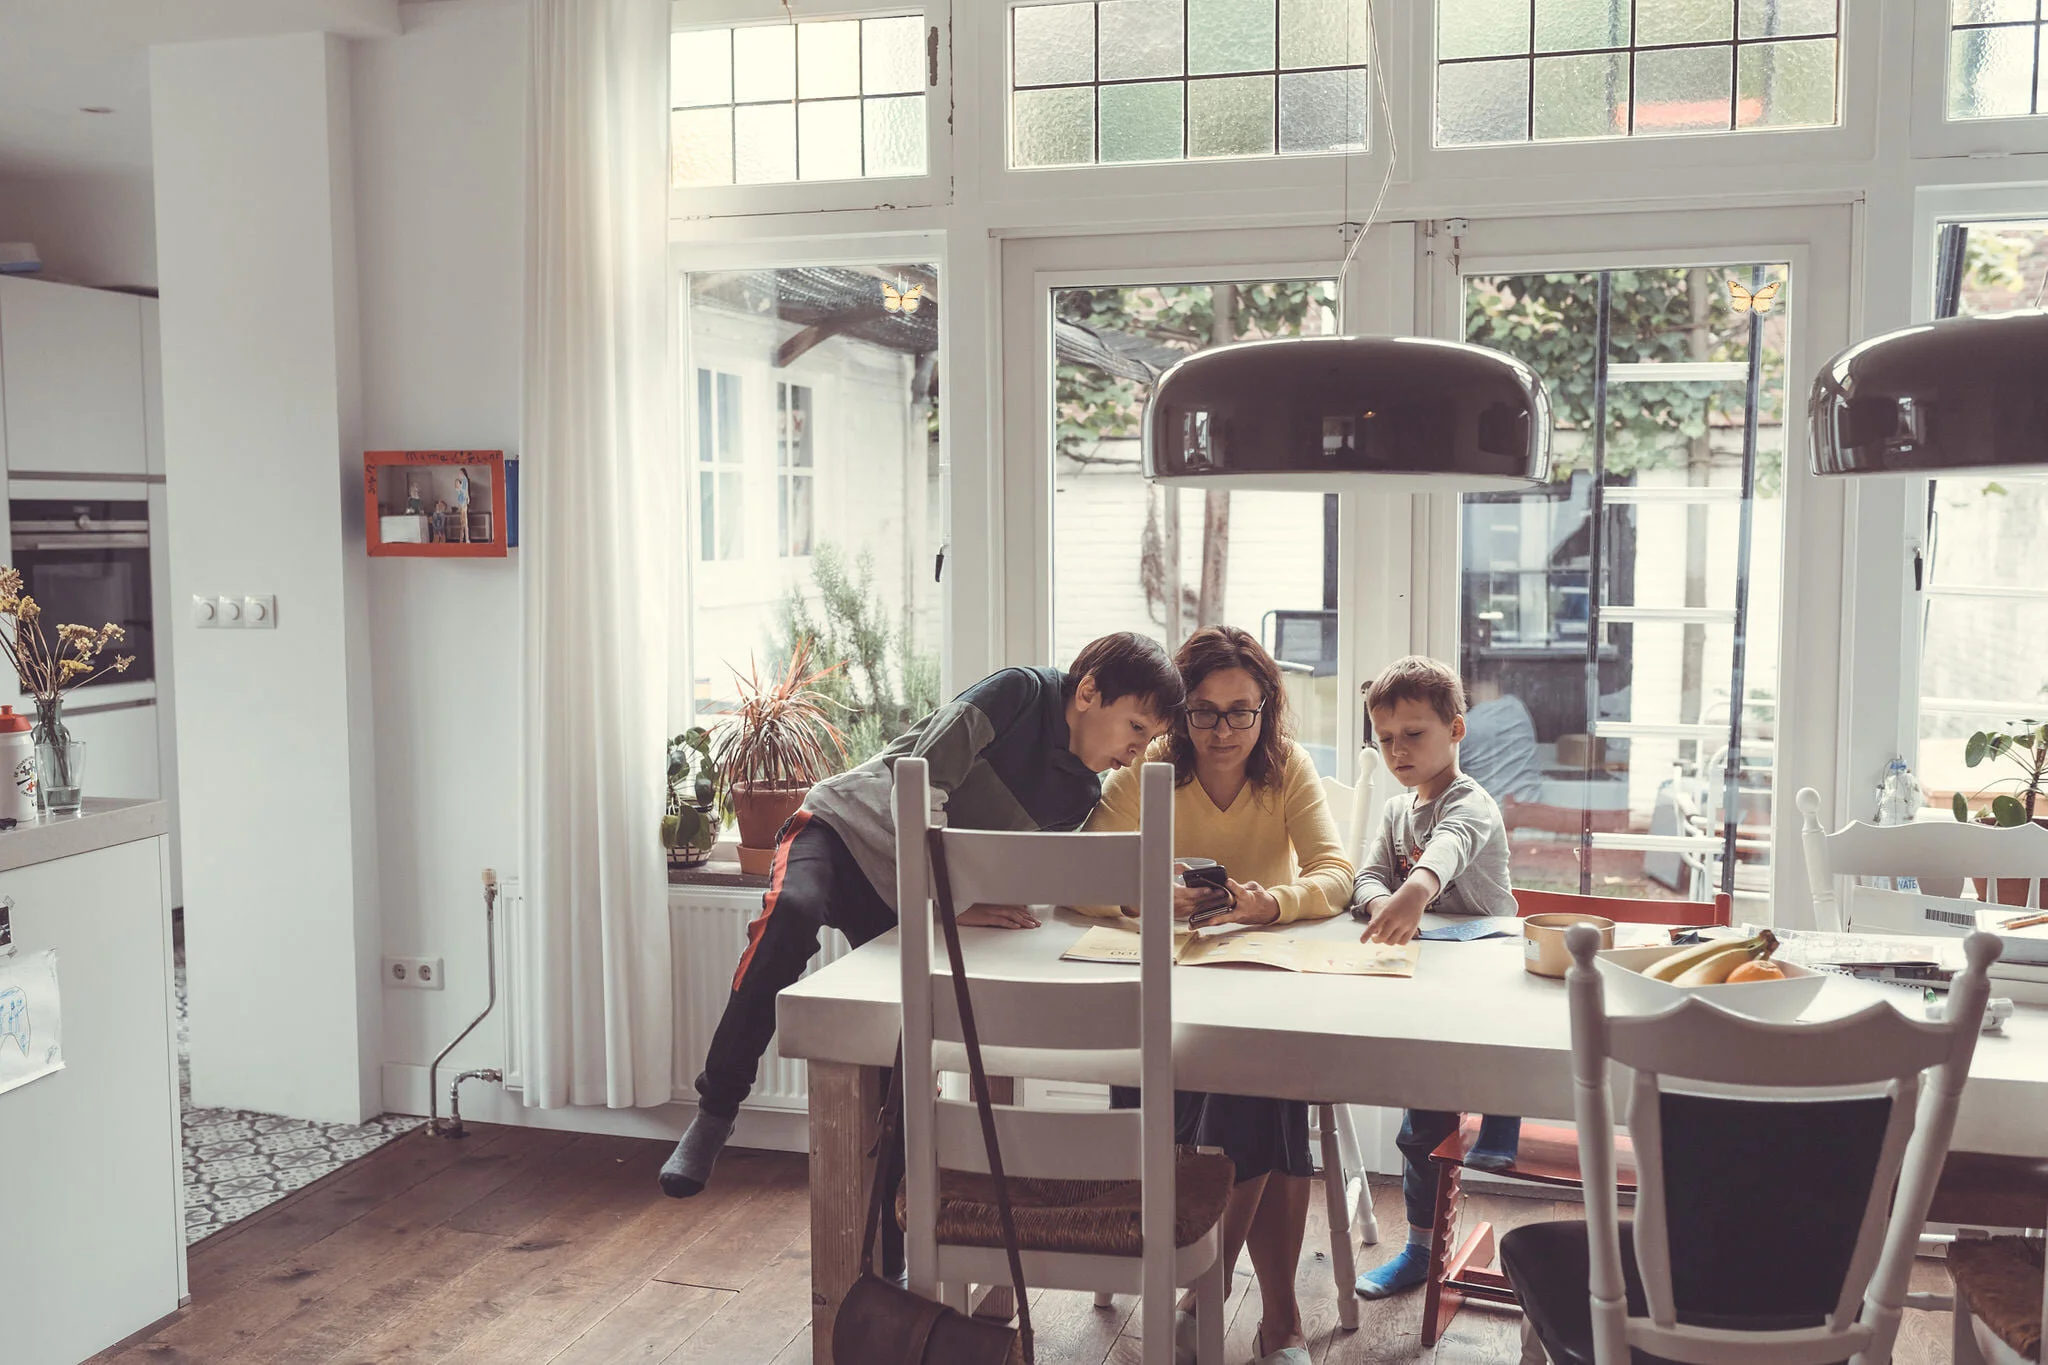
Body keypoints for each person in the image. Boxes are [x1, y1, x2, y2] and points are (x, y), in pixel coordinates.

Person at [660, 632, 1185, 1199]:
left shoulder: (1080, 794)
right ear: (1088, 692)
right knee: (790, 913)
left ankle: (896, 1237)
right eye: (1136, 727)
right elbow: (920, 787)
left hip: (910, 890)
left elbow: (1013, 867)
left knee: (903, 1036)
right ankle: (716, 1109)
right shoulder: (1019, 693)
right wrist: (954, 900)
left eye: (1150, 739)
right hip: (841, 832)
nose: (1138, 751)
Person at [1079, 626, 1353, 1365]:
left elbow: (1336, 874)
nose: (1225, 729)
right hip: (1163, 998)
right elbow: (1078, 880)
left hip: (1261, 981)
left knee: (1262, 1080)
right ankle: (1277, 1316)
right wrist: (1147, 898)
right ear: (1178, 714)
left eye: (1243, 710)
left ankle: (1210, 1282)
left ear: (1267, 708)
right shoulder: (1147, 771)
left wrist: (1273, 904)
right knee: (1264, 1093)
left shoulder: (1287, 767)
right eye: (1205, 711)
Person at [1350, 655, 1521, 1300]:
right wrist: (1377, 903)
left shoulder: (1472, 802)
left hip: (1489, 971)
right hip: (1431, 978)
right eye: (1385, 738)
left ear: (1456, 731)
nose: (1397, 751)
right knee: (1419, 1127)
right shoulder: (1396, 813)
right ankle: (1420, 1249)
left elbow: (1446, 849)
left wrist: (1415, 890)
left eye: (1414, 735)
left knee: (1505, 1021)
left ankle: (1504, 1115)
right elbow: (1367, 875)